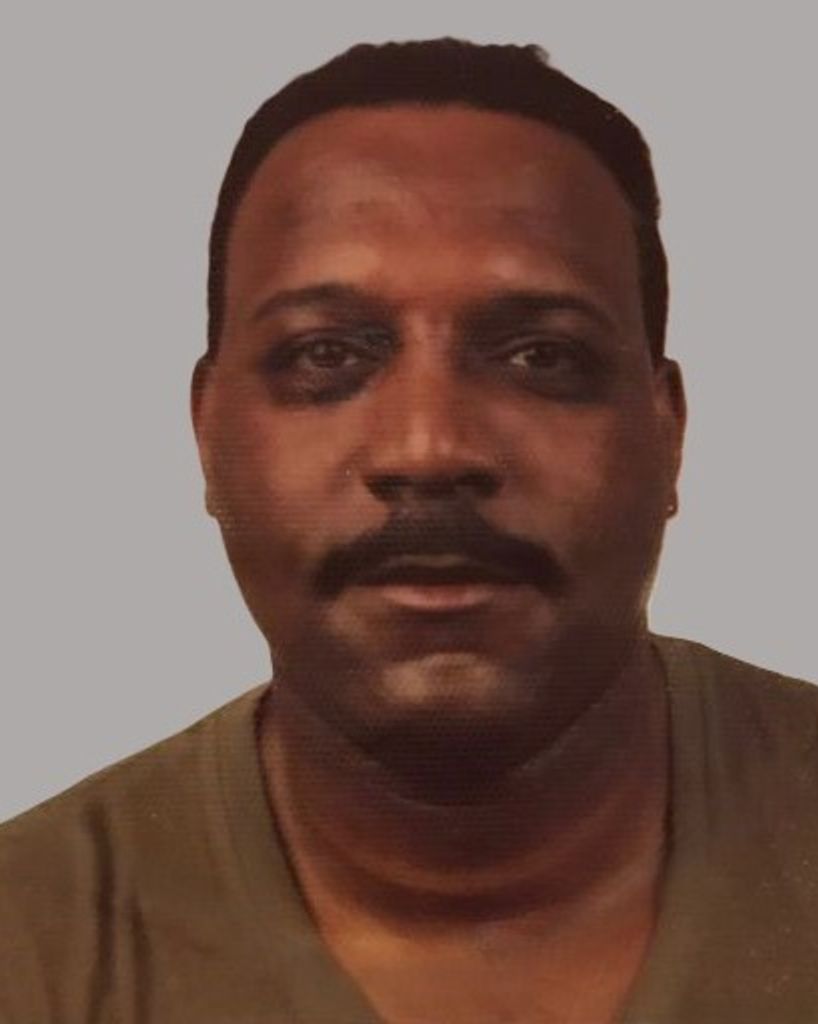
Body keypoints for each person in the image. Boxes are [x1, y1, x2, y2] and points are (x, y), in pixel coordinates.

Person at [1, 38, 816, 1024]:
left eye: (541, 355)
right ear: (209, 434)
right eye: (327, 355)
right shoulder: (30, 946)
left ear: (666, 433)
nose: (428, 447)